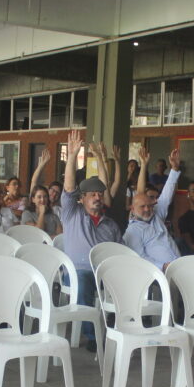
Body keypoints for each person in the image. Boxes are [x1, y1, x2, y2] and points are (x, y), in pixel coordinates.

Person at [59, 129, 122, 351]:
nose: (97, 197)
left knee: (126, 279)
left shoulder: (110, 225)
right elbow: (68, 187)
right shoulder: (72, 214)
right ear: (82, 198)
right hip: (78, 272)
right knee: (84, 280)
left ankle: (120, 328)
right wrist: (73, 155)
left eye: (99, 194)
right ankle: (93, 336)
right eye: (92, 194)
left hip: (104, 272)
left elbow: (120, 255)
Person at [124, 147, 181, 270]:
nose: (147, 209)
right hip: (158, 275)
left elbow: (166, 194)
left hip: (179, 267)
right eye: (142, 207)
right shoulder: (133, 231)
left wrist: (174, 169)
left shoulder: (156, 215)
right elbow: (139, 258)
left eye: (149, 206)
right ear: (132, 209)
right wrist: (163, 266)